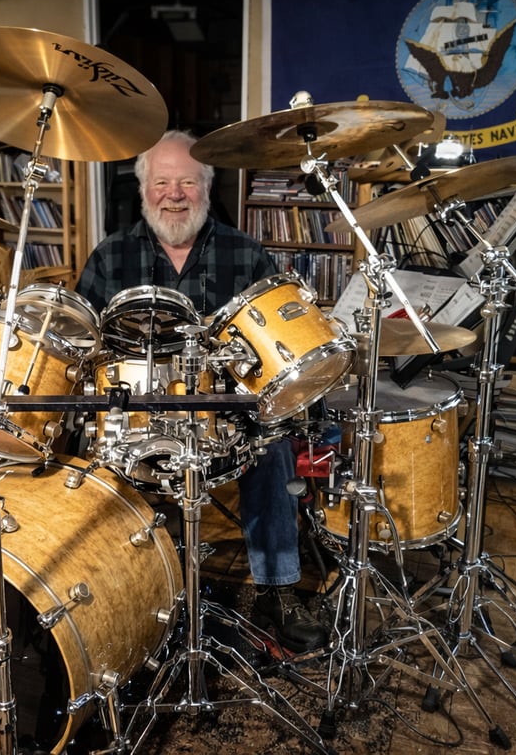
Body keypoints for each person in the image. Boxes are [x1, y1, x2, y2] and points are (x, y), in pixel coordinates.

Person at [74, 129, 327, 652]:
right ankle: (111, 591)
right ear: (143, 190)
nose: (174, 194)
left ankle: (279, 588)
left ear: (206, 188)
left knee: (274, 448)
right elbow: (83, 345)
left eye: (187, 182)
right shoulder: (111, 255)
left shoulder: (245, 254)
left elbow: (276, 347)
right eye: (162, 182)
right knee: (84, 455)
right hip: (133, 415)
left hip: (225, 412)